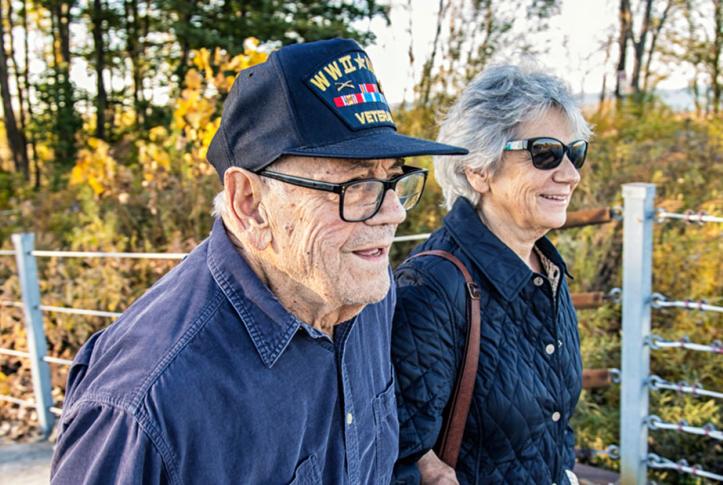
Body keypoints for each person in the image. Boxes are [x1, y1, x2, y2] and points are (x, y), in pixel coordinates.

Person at [50, 38, 467, 484]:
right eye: (356, 184)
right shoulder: (144, 404)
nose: (395, 211)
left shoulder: (364, 290)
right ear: (249, 202)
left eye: (392, 178)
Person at [391, 64, 591, 485]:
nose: (570, 174)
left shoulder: (546, 269)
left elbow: (551, 426)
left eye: (574, 152)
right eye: (545, 153)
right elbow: (402, 457)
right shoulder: (432, 290)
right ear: (477, 169)